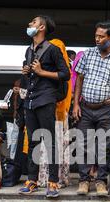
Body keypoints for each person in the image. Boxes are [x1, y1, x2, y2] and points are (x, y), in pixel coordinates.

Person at [72, 20, 110, 197]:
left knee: (104, 146)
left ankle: (100, 181)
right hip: (85, 108)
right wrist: (75, 104)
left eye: (101, 36)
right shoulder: (88, 54)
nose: (97, 39)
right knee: (83, 144)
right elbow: (79, 80)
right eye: (96, 36)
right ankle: (83, 181)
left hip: (106, 110)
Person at [18, 15, 71, 198]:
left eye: (33, 22)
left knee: (49, 141)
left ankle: (53, 182)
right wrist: (26, 71)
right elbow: (30, 74)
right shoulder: (29, 50)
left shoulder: (53, 49)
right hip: (31, 100)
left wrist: (42, 72)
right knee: (33, 141)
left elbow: (65, 74)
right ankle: (32, 180)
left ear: (41, 27)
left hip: (46, 99)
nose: (29, 24)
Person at [38, 39, 73, 188]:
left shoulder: (65, 72)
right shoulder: (44, 70)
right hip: (49, 113)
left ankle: (56, 178)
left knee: (55, 146)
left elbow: (67, 94)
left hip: (59, 115)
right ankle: (49, 178)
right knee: (48, 146)